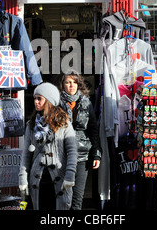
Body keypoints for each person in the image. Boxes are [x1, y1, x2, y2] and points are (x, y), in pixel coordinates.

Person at [18, 82, 78, 210]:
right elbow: (26, 155)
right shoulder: (31, 124)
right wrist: (23, 177)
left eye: (39, 98)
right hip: (37, 179)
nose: (36, 102)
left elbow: (72, 152)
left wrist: (70, 175)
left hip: (59, 177)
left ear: (49, 100)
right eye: (35, 98)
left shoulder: (64, 123)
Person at [58, 71, 102, 210]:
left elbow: (93, 130)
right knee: (63, 197)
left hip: (82, 156)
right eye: (68, 82)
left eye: (74, 82)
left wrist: (96, 154)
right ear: (63, 85)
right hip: (62, 156)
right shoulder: (55, 103)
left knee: (77, 198)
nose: (71, 85)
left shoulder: (86, 103)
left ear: (78, 84)